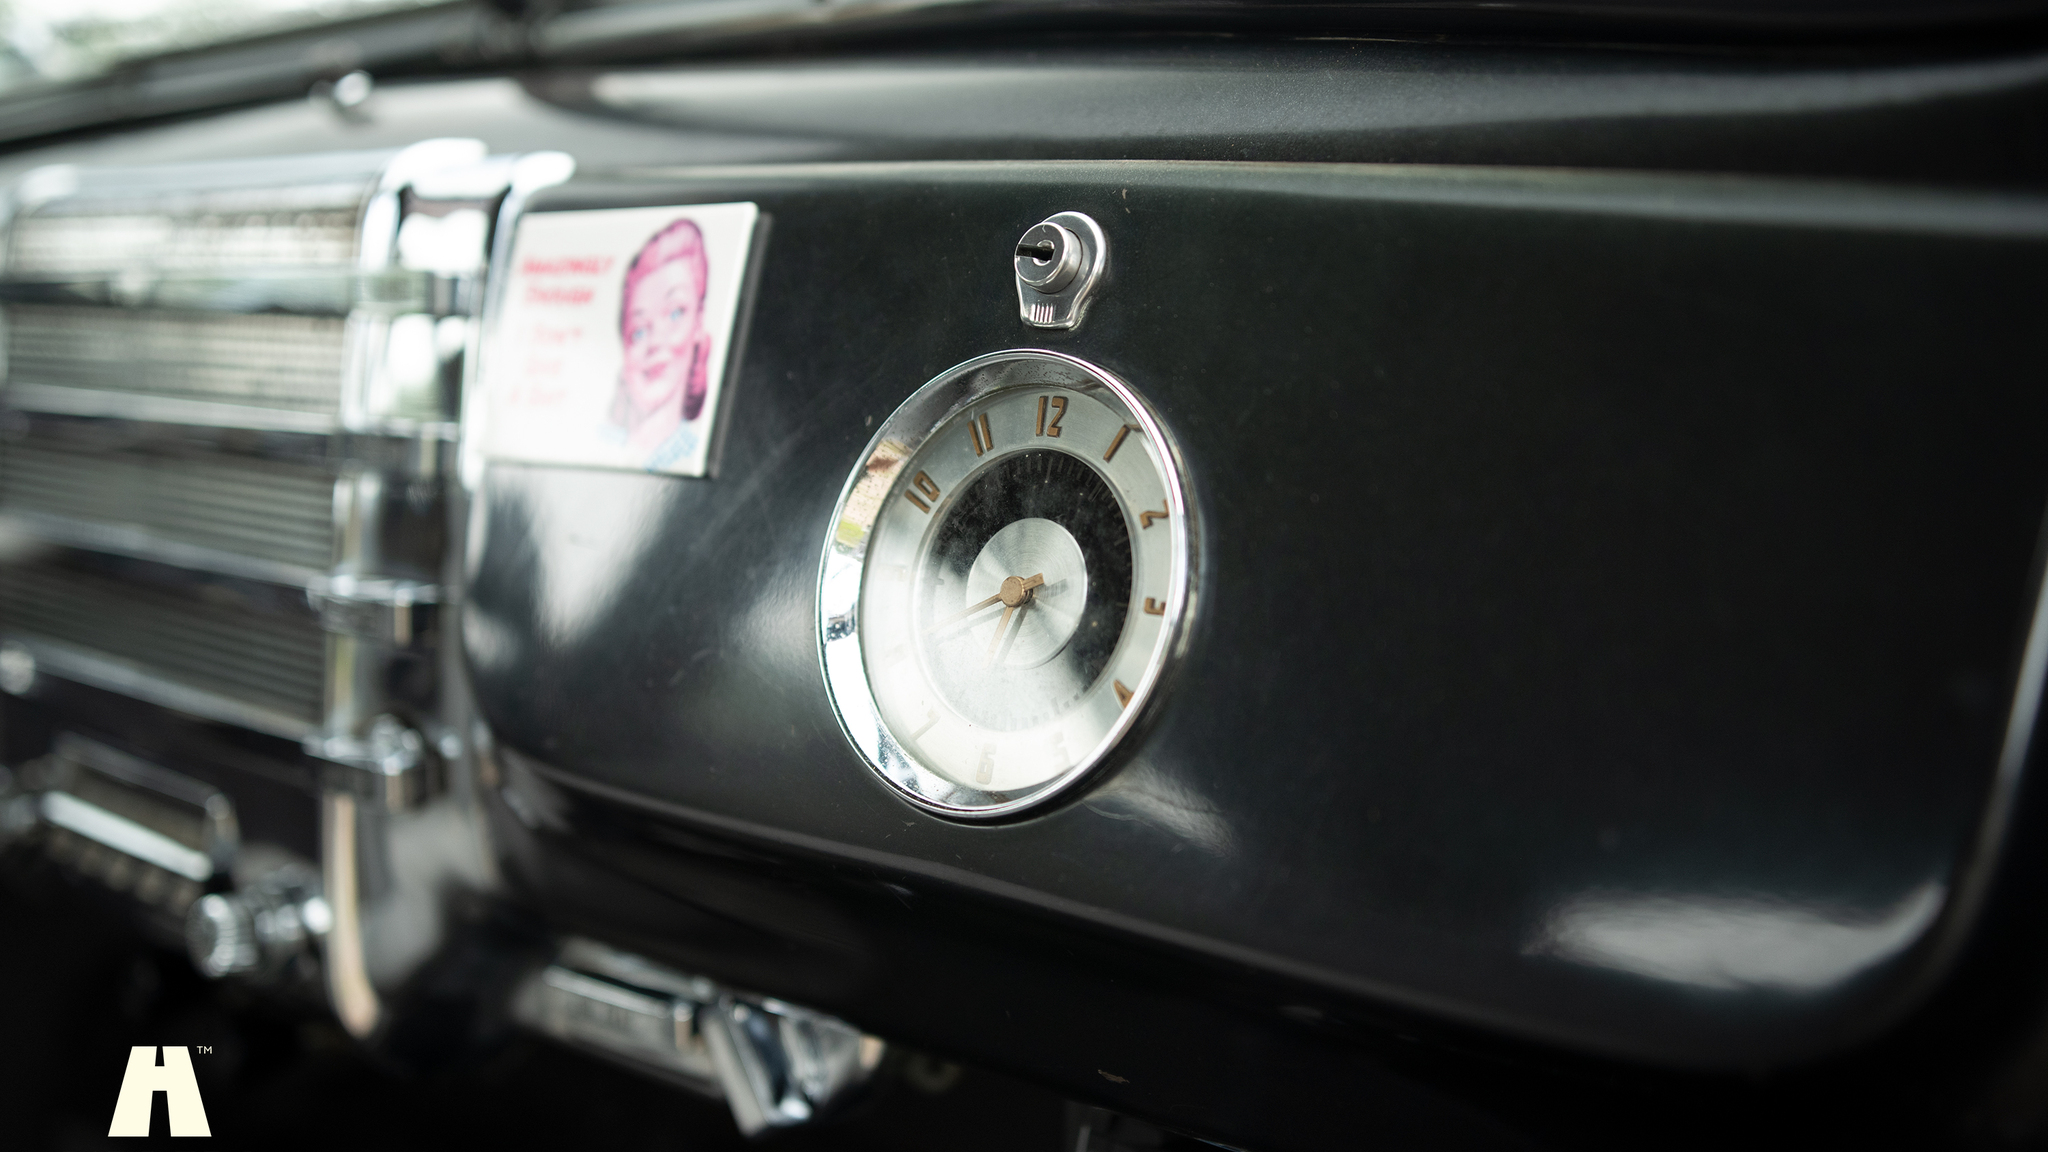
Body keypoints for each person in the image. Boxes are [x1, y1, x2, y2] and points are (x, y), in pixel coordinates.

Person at [611, 217, 712, 470]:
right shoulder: (602, 444)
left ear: (698, 324)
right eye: (639, 331)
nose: (655, 342)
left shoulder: (690, 452)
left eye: (675, 314)